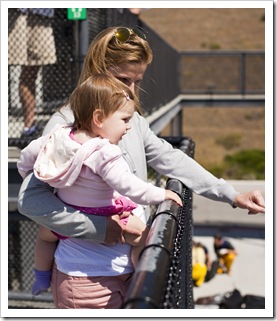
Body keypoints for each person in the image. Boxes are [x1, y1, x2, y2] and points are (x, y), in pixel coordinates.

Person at [17, 26, 265, 308]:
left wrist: (230, 194)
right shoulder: (65, 125)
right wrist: (105, 229)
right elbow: (30, 198)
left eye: (137, 81)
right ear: (97, 71)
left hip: (130, 270)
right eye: (123, 78)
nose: (131, 91)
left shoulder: (130, 119)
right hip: (86, 277)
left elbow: (170, 158)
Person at [17, 74, 182, 300]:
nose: (129, 127)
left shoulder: (59, 136)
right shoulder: (103, 152)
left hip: (70, 215)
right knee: (144, 236)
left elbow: (28, 155)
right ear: (99, 118)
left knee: (45, 237)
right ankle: (140, 278)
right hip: (105, 215)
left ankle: (41, 278)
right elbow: (131, 187)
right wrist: (161, 193)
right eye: (125, 120)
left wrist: (25, 171)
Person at [8, 8, 57, 137]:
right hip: (15, 12)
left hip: (41, 13)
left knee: (31, 72)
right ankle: (28, 126)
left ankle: (30, 127)